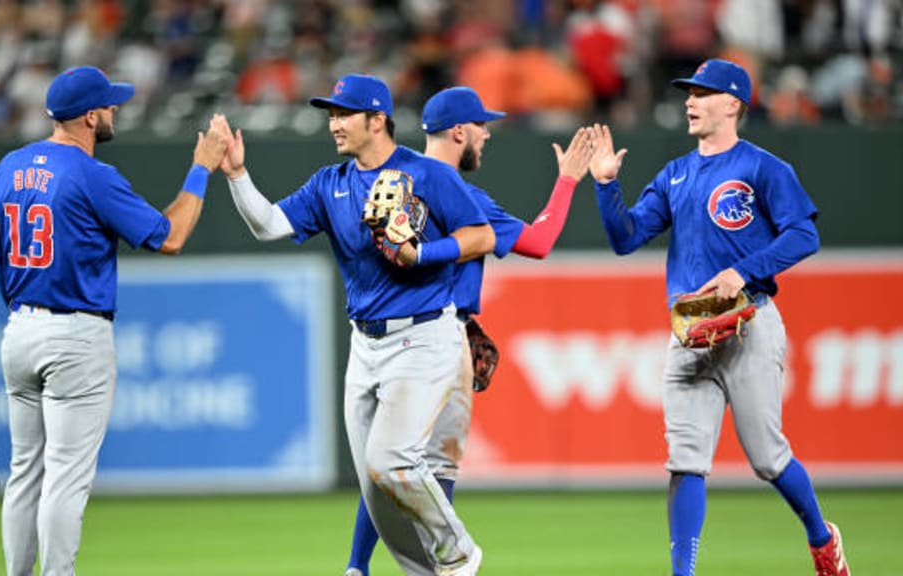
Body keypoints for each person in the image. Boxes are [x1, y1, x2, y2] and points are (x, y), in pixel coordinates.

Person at [215, 74, 492, 576]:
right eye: (331, 114)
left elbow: (481, 235)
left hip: (424, 334)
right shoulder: (330, 183)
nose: (334, 123)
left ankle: (458, 552)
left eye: (344, 114)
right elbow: (270, 225)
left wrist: (422, 252)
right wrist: (237, 176)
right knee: (376, 487)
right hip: (364, 343)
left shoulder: (426, 173)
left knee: (391, 460)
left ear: (377, 119)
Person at [586, 59, 851, 576]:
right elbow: (625, 239)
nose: (690, 100)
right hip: (689, 332)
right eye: (688, 92)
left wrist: (743, 270)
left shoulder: (763, 167)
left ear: (733, 104)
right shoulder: (675, 173)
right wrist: (605, 186)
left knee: (768, 458)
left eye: (703, 93)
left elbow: (804, 234)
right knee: (685, 459)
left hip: (749, 322)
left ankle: (822, 539)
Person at [0, 65, 228, 576]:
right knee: (66, 476)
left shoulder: (8, 167)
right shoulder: (91, 174)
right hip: (74, 334)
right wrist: (201, 167)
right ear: (90, 116)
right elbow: (170, 236)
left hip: (19, 329)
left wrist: (24, 312)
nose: (115, 111)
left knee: (24, 472)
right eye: (109, 105)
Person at [343, 87, 593, 576]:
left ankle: (357, 567)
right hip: (434, 339)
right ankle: (444, 567)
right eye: (481, 125)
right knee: (428, 468)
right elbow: (539, 241)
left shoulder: (387, 178)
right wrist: (566, 182)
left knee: (389, 464)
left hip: (379, 335)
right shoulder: (462, 195)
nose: (487, 133)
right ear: (460, 131)